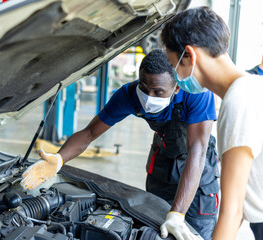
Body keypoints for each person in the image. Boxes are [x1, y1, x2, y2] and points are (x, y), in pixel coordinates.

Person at [21, 49, 220, 240]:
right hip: (163, 159)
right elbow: (90, 133)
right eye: (144, 87)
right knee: (154, 226)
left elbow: (197, 151)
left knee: (194, 232)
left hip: (197, 168)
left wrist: (177, 214)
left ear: (176, 87)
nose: (149, 97)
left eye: (158, 92)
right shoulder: (129, 95)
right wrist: (58, 159)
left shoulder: (197, 94)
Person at [161, 6, 263, 240]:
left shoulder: (238, 101)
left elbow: (232, 210)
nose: (175, 77)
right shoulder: (255, 87)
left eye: (173, 64)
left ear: (189, 55)